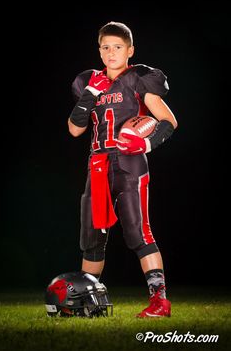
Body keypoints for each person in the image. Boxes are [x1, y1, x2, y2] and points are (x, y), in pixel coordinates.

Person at [68, 21, 178, 317]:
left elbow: (168, 121)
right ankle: (86, 300)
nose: (111, 52)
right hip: (98, 165)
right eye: (106, 47)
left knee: (138, 230)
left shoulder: (138, 79)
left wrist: (147, 146)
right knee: (92, 237)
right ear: (99, 51)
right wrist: (90, 94)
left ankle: (159, 301)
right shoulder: (89, 81)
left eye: (118, 47)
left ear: (130, 50)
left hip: (129, 161)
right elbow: (74, 129)